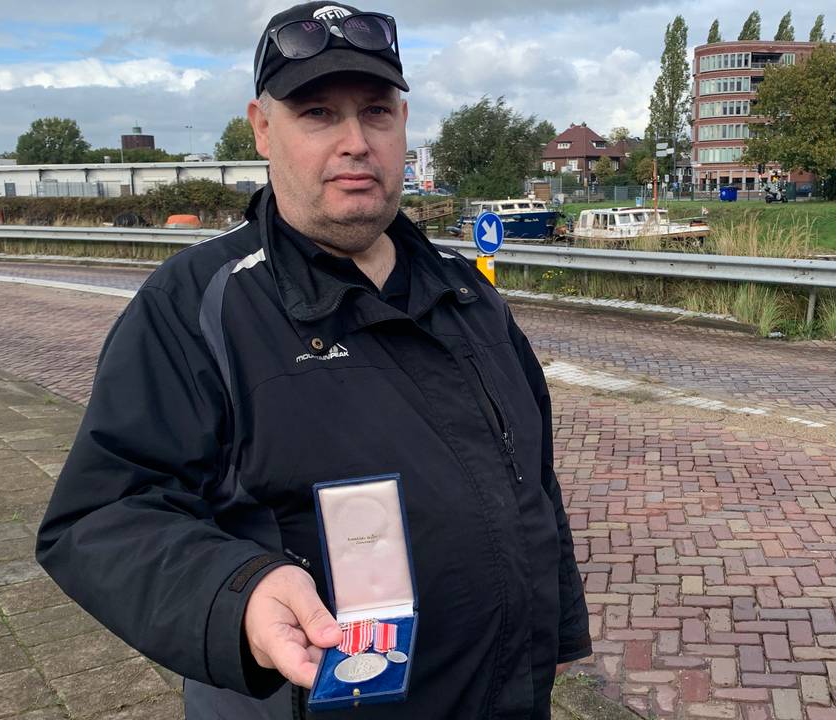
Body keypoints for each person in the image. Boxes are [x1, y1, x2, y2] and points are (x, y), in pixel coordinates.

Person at [34, 3, 591, 718]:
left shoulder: (468, 297)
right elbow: (101, 516)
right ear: (263, 129)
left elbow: (531, 485)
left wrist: (557, 632)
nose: (356, 142)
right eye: (319, 114)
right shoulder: (196, 307)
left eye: (378, 113)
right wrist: (238, 591)